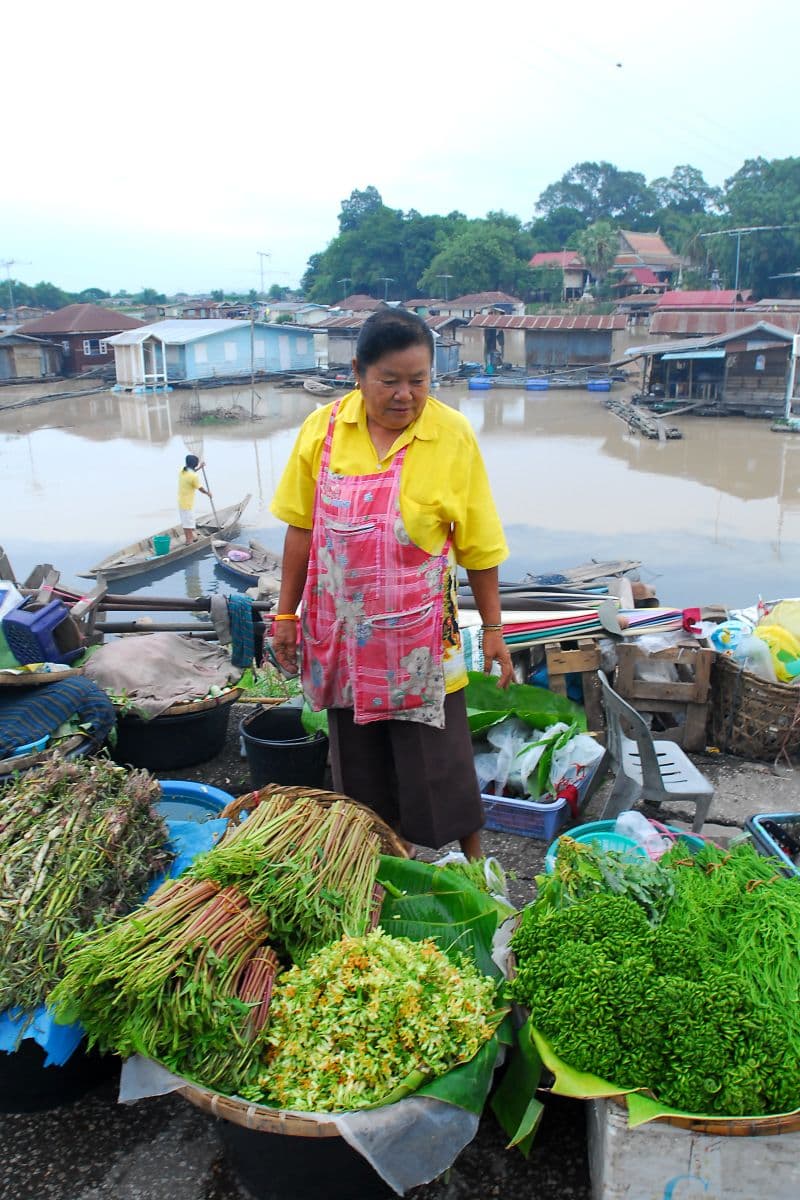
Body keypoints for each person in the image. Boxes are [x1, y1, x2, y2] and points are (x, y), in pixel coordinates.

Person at [270, 307, 512, 860]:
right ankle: (383, 869)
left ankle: (477, 872)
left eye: (419, 380)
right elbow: (301, 531)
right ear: (357, 371)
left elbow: (479, 543)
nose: (405, 395)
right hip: (344, 637)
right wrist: (287, 616)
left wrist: (494, 627)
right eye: (390, 381)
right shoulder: (324, 429)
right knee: (360, 770)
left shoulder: (450, 434)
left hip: (423, 637)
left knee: (441, 762)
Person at [178, 453, 211, 544]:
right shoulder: (193, 476)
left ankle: (190, 538)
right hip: (188, 503)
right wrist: (208, 493)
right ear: (195, 464)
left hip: (181, 501)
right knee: (188, 523)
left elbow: (192, 473)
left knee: (186, 522)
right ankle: (189, 541)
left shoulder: (182, 471)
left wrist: (200, 468)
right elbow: (200, 488)